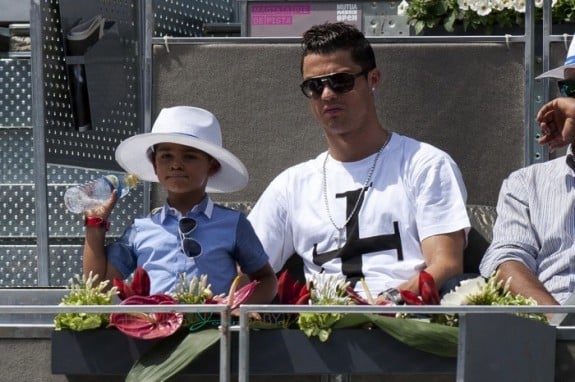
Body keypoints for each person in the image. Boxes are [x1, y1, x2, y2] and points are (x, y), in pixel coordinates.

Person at [247, 22, 470, 302]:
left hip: (406, 324)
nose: (327, 94)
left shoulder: (425, 165)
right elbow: (246, 271)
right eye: (314, 86)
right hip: (319, 334)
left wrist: (390, 302)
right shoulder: (291, 185)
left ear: (373, 79)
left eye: (341, 81)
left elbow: (447, 264)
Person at [82, 106, 278, 304]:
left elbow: (266, 279)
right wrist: (94, 224)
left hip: (214, 332)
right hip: (154, 332)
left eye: (190, 156)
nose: (176, 165)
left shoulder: (233, 224)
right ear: (154, 165)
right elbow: (99, 287)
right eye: (166, 156)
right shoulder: (140, 230)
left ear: (212, 166)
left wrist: (241, 307)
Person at [479, 37, 575, 306]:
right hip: (549, 323)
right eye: (570, 88)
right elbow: (507, 259)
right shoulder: (526, 183)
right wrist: (557, 324)